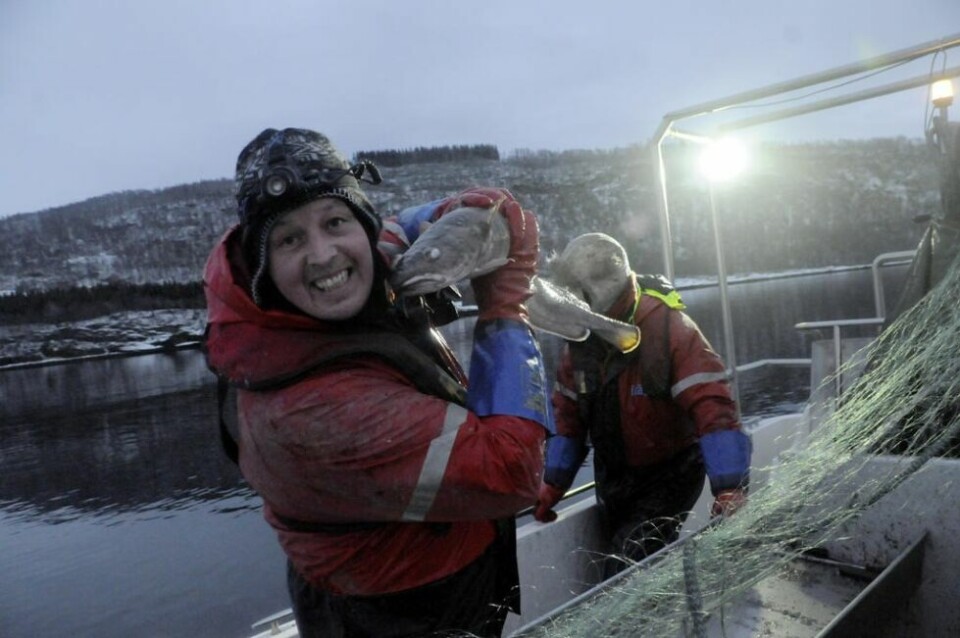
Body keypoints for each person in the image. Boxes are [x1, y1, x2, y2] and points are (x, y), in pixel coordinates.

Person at [203, 127, 553, 637]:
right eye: (289, 238)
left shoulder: (299, 304)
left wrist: (464, 209)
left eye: (335, 221)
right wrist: (505, 307)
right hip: (406, 613)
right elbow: (514, 471)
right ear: (262, 266)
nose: (323, 254)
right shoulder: (318, 413)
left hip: (439, 576)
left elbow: (400, 227)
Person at [532, 233, 751, 576]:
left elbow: (713, 406)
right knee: (632, 557)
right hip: (614, 477)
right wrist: (552, 483)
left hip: (671, 472)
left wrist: (729, 486)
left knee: (627, 563)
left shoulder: (669, 327)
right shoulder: (578, 342)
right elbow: (567, 420)